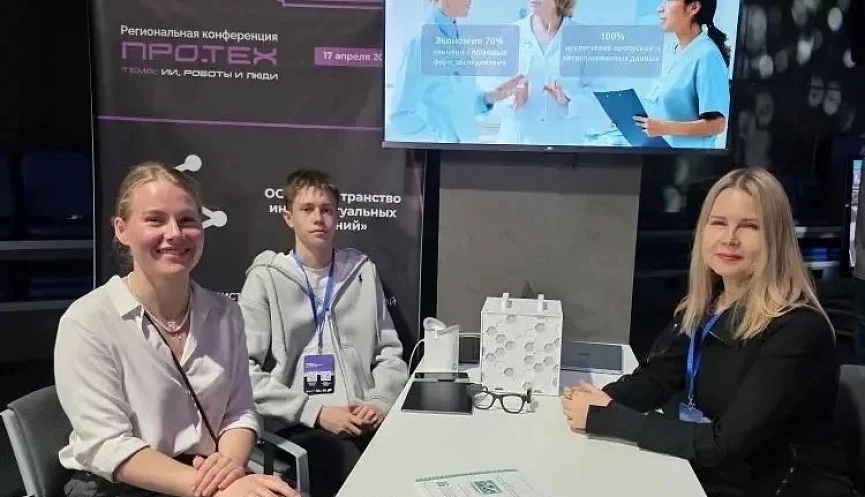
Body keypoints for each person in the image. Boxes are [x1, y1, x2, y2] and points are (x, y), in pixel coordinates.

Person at [563, 168, 855, 497]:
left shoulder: (800, 329)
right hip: (720, 476)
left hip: (785, 486)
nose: (729, 237)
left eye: (750, 226)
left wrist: (609, 418)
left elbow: (725, 444)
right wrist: (591, 401)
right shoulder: (707, 306)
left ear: (776, 238)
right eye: (718, 223)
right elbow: (654, 381)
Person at [55, 162, 297, 497]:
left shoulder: (226, 315)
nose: (175, 233)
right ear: (121, 230)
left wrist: (226, 471)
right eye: (155, 220)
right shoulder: (87, 322)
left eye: (186, 220)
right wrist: (218, 491)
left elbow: (240, 411)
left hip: (205, 473)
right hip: (119, 485)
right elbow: (108, 445)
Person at [239, 169, 409, 497]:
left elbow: (389, 350)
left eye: (327, 209)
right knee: (350, 467)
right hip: (296, 425)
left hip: (362, 416)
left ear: (338, 216)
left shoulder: (362, 271)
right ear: (288, 217)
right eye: (307, 209)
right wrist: (316, 412)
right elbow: (243, 372)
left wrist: (380, 401)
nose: (318, 218)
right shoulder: (265, 278)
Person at [388, 0, 525, 143]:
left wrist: (489, 98)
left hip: (466, 150)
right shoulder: (422, 43)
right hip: (444, 152)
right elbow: (401, 116)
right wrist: (442, 141)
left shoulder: (459, 42)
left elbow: (457, 104)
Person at [496, 0, 595, 145]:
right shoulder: (510, 33)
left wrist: (567, 101)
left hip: (564, 143)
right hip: (517, 142)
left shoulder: (585, 37)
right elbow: (491, 93)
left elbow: (596, 94)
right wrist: (513, 99)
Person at [634, 0, 731, 149]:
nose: (660, 8)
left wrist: (663, 128)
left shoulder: (707, 56)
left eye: (668, 1)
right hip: (658, 155)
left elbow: (716, 124)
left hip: (689, 160)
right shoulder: (673, 52)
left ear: (693, 7)